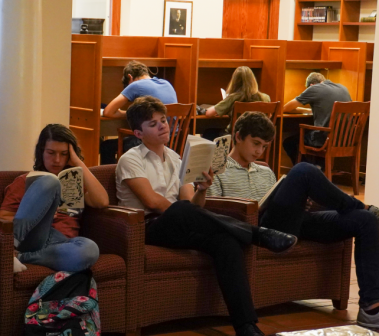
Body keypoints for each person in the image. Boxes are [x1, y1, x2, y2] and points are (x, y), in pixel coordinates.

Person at [116, 96, 297, 336]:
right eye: (153, 124)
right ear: (138, 133)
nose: (162, 126)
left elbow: (193, 204)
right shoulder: (130, 159)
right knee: (180, 208)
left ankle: (246, 326)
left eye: (163, 120)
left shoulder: (174, 157)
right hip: (146, 229)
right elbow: (152, 202)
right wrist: (188, 207)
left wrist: (202, 189)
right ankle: (258, 234)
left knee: (227, 243)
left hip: (180, 222)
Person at [206, 111, 379, 328]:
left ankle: (371, 307)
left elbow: (278, 203)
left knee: (365, 220)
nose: (259, 151)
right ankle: (358, 203)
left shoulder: (265, 172)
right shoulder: (218, 171)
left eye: (265, 146)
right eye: (255, 143)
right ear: (238, 136)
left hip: (291, 223)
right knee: (303, 170)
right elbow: (216, 213)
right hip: (260, 230)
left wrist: (298, 204)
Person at [0, 124, 107, 272]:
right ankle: (9, 249)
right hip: (35, 237)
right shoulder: (25, 181)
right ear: (41, 152)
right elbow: (2, 219)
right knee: (51, 182)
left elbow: (102, 201)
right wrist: (41, 216)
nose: (57, 160)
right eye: (51, 152)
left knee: (90, 249)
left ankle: (21, 257)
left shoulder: (74, 183)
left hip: (62, 243)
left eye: (64, 154)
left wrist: (78, 163)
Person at [100, 60, 177, 164]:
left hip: (151, 140)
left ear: (130, 77)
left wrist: (128, 114)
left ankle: (114, 178)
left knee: (106, 146)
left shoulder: (135, 85)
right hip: (173, 139)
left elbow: (108, 112)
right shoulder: (166, 83)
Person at [282, 72, 351, 166]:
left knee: (289, 142)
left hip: (325, 139)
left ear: (311, 85)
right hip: (346, 139)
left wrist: (305, 110)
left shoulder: (314, 88)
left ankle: (307, 170)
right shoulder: (343, 88)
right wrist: (309, 110)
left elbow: (286, 108)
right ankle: (318, 168)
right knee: (318, 133)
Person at [204, 66, 270, 141]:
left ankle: (223, 152)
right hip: (258, 137)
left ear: (234, 82)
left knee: (209, 132)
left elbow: (209, 113)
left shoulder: (233, 98)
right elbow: (268, 117)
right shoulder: (265, 98)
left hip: (237, 138)